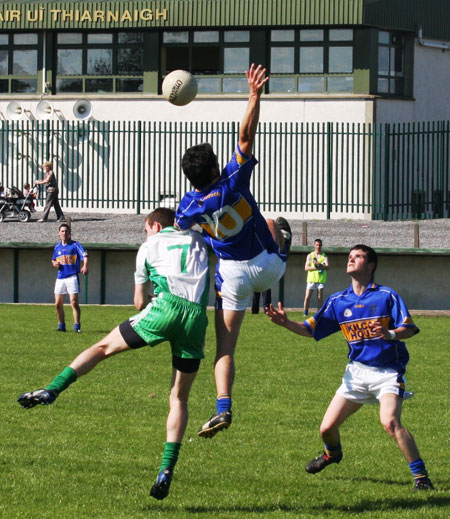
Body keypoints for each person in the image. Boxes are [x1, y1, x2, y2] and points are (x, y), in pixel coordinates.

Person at [17, 208, 210, 501]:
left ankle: (52, 389)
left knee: (102, 348)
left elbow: (137, 302)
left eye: (146, 228)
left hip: (165, 308)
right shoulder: (199, 238)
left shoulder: (149, 246)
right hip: (196, 318)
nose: (145, 234)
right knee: (179, 398)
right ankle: (166, 469)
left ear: (155, 226)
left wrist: (148, 297)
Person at [175, 63, 292, 439]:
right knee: (274, 224)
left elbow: (179, 227)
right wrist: (254, 94)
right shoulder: (232, 180)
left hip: (233, 277)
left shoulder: (188, 205)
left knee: (225, 347)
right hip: (269, 266)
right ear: (215, 167)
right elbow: (246, 135)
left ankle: (223, 405)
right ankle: (285, 246)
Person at [266, 244, 433, 491]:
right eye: (350, 256)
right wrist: (286, 323)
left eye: (358, 256)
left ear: (371, 265)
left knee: (389, 422)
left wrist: (390, 334)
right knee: (326, 429)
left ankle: (421, 478)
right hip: (356, 373)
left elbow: (408, 328)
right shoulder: (338, 301)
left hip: (388, 372)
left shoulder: (386, 296)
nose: (351, 259)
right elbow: (310, 329)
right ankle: (332, 454)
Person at [52, 223, 88, 333]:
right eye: (62, 231)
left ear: (69, 233)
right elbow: (54, 259)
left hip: (72, 277)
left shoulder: (75, 245)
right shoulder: (57, 247)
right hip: (60, 278)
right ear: (59, 233)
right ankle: (61, 326)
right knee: (58, 304)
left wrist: (85, 265)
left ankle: (77, 326)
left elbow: (85, 255)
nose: (64, 233)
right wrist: (54, 263)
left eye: (66, 231)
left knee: (73, 302)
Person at [303, 238, 329, 316]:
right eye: (317, 245)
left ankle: (319, 313)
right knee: (307, 297)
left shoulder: (325, 256)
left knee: (320, 297)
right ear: (314, 245)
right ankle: (305, 313)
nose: (318, 246)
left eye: (320, 245)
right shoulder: (310, 255)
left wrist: (319, 264)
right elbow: (306, 268)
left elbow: (327, 267)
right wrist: (316, 267)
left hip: (321, 280)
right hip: (311, 279)